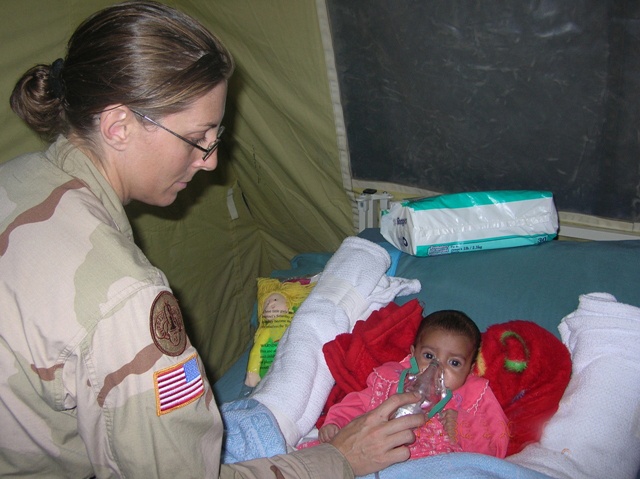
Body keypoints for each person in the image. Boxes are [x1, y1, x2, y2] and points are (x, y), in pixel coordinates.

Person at [0, 2, 427, 478]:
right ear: (118, 126)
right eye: (198, 137)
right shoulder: (124, 300)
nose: (211, 161)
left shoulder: (15, 180)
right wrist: (338, 459)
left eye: (216, 133)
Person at [312, 310, 510, 459]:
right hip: (377, 457)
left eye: (454, 363)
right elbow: (359, 404)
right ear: (413, 353)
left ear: (470, 368)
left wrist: (461, 427)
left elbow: (496, 442)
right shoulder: (391, 378)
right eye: (429, 356)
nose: (437, 367)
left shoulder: (474, 395)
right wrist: (336, 423)